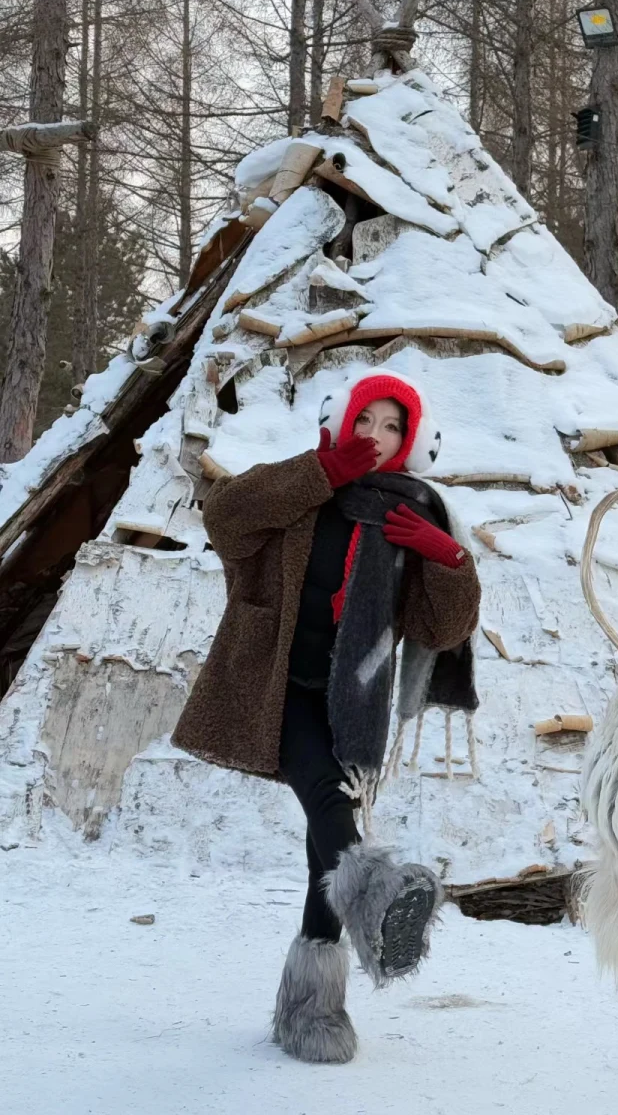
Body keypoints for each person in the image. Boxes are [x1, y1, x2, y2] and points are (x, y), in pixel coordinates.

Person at [172, 371, 481, 1064]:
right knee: (324, 796)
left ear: (413, 440)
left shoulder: (417, 509)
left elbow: (439, 626)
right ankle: (379, 897)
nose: (376, 435)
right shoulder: (297, 491)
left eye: (392, 425)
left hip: (353, 696)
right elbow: (226, 517)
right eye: (365, 420)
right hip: (272, 682)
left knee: (323, 833)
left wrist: (449, 558)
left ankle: (311, 1012)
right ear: (340, 420)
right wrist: (319, 472)